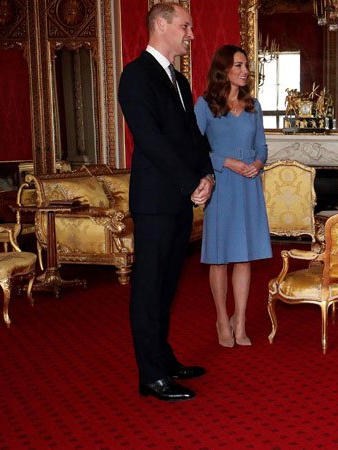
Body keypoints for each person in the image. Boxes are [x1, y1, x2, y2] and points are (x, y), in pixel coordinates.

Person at [118, 2, 214, 402]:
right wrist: (190, 180)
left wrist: (206, 174)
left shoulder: (178, 78)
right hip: (156, 201)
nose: (191, 34)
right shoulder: (136, 76)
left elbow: (191, 135)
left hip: (178, 199)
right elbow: (152, 141)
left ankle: (164, 358)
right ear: (161, 25)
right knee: (149, 289)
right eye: (185, 26)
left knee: (167, 287)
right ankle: (152, 376)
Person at [194, 45, 272, 348]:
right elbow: (196, 149)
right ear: (224, 68)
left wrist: (255, 164)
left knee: (243, 256)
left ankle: (239, 321)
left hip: (249, 186)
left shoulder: (253, 106)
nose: (244, 71)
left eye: (247, 66)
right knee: (219, 257)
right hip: (222, 184)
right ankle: (221, 319)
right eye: (238, 65)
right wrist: (226, 162)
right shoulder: (205, 105)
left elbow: (262, 148)